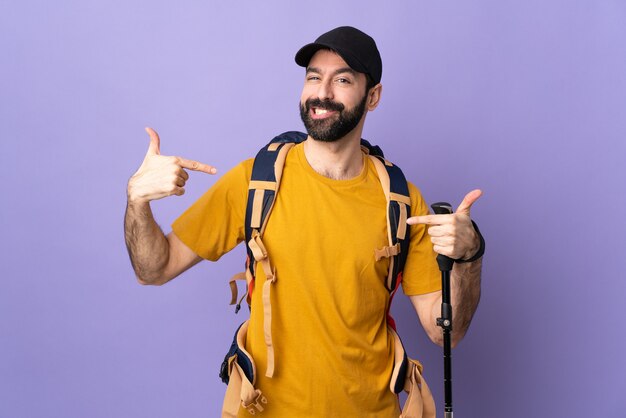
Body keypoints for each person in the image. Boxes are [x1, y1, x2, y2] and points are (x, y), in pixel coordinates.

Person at [124, 26, 482, 418]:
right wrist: (137, 201)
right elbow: (153, 269)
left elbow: (446, 331)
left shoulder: (401, 200)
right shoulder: (255, 182)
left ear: (373, 96)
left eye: (342, 79)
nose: (322, 92)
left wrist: (469, 257)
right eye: (314, 76)